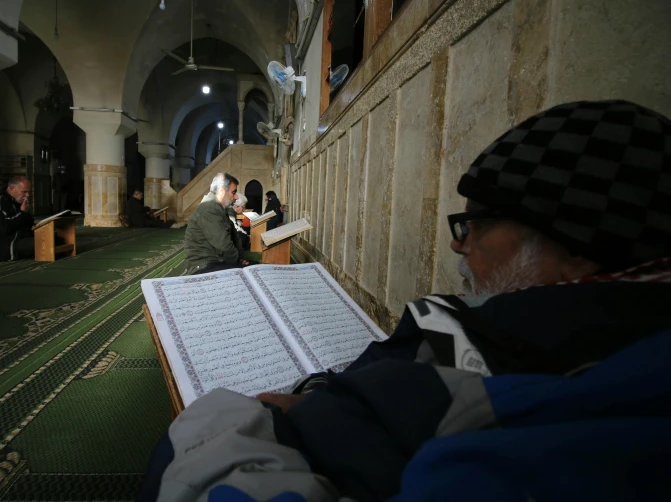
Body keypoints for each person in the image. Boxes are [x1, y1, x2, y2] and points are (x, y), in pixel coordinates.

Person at [139, 101, 671, 502]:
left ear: (575, 248)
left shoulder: (568, 396)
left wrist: (234, 420)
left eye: (478, 224)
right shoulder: (561, 332)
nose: (460, 243)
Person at [184, 173, 249, 274]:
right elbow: (224, 246)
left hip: (217, 261)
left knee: (254, 267)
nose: (236, 197)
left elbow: (234, 237)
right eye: (234, 192)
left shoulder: (219, 208)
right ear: (222, 191)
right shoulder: (209, 209)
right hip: (203, 265)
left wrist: (240, 259)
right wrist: (238, 264)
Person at [0, 176, 36, 261]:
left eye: (29, 192)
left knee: (52, 239)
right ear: (12, 188)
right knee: (43, 244)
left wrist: (27, 214)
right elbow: (4, 227)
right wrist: (22, 213)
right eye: (24, 192)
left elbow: (27, 225)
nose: (27, 195)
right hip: (0, 245)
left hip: (17, 239)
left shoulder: (16, 201)